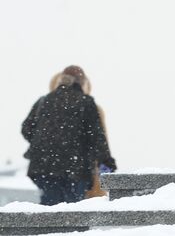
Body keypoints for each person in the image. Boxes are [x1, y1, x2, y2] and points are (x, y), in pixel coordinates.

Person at [21, 65, 116, 205]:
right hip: (75, 168)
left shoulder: (44, 101)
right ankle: (70, 226)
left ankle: (51, 224)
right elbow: (96, 137)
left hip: (43, 167)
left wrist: (44, 143)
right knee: (73, 211)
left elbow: (26, 129)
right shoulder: (85, 102)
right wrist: (107, 162)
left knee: (50, 209)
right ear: (82, 82)